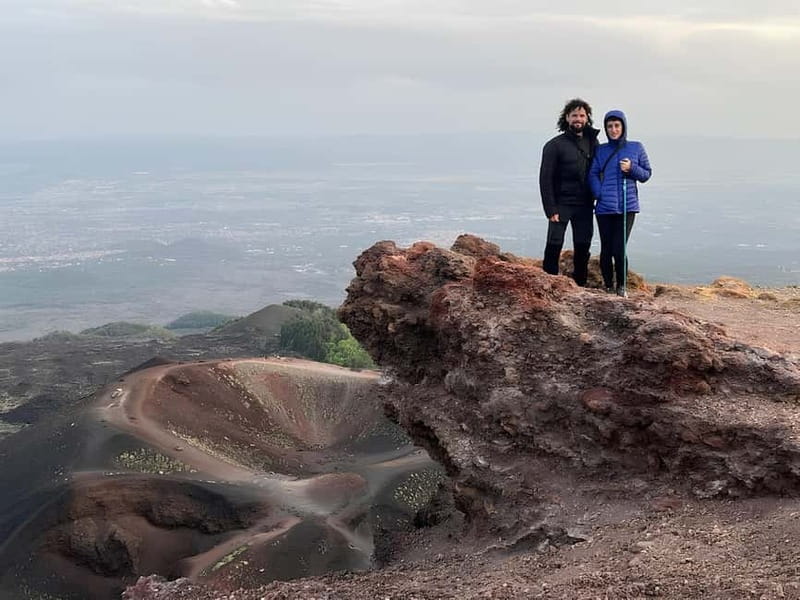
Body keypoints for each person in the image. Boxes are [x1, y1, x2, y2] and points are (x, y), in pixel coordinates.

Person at [589, 110, 652, 295]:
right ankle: (608, 285)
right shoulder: (601, 150)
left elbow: (646, 174)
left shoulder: (636, 147)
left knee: (619, 248)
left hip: (627, 206)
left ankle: (622, 286)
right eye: (610, 126)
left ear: (623, 127)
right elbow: (592, 174)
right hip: (604, 208)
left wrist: (631, 168)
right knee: (606, 249)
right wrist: (599, 193)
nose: (613, 129)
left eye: (617, 125)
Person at [539, 98, 600, 286]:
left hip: (585, 204)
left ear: (587, 118)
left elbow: (600, 171)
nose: (578, 119)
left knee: (583, 245)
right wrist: (550, 209)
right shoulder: (554, 145)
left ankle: (580, 285)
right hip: (561, 204)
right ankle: (548, 284)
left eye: (582, 115)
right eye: (574, 115)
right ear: (567, 117)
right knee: (554, 243)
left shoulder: (593, 142)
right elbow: (545, 179)